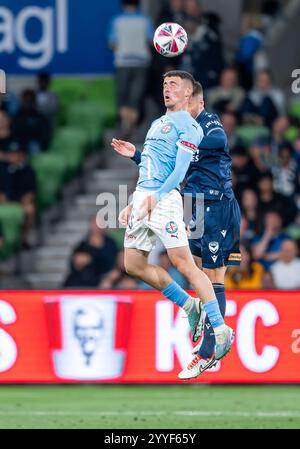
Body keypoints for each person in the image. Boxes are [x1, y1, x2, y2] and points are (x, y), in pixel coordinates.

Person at [112, 76, 237, 379]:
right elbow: (154, 165)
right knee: (132, 263)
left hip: (180, 200)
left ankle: (219, 332)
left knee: (191, 266)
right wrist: (136, 190)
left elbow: (180, 169)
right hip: (154, 196)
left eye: (175, 84)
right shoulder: (156, 123)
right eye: (165, 83)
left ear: (191, 95)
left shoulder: (194, 126)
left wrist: (156, 197)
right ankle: (189, 306)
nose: (167, 87)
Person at [108, 0, 154, 139]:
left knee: (123, 96)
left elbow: (112, 43)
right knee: (136, 96)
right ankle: (130, 128)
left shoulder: (116, 21)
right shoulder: (145, 21)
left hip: (123, 62)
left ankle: (125, 126)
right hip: (141, 63)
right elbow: (151, 41)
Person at [0, 141, 37, 246]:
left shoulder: (28, 170)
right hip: (4, 200)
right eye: (11, 154)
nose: (13, 156)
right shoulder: (2, 169)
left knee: (30, 209)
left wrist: (26, 198)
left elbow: (31, 191)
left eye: (16, 154)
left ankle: (23, 237)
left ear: (22, 155)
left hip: (21, 201)